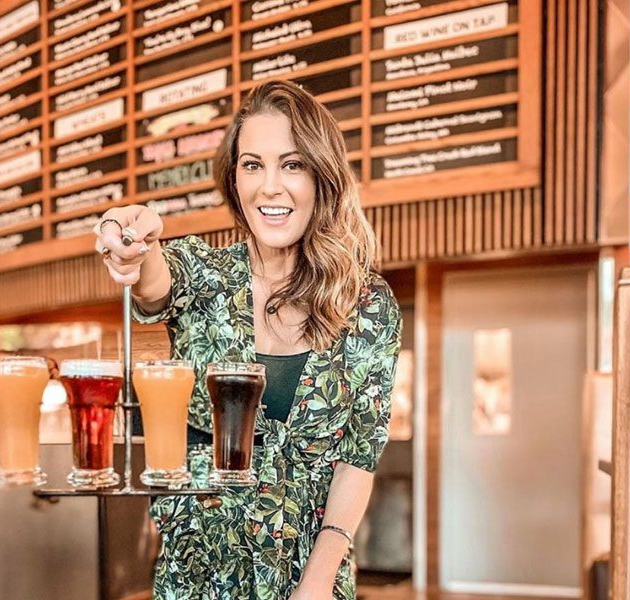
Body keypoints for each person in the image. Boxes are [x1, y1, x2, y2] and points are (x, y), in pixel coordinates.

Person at [95, 80, 402, 600]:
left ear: (321, 176)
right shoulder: (205, 277)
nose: (270, 187)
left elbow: (358, 458)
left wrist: (318, 582)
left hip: (311, 582)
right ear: (235, 180)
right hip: (196, 579)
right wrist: (125, 232)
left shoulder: (367, 304)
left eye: (292, 164)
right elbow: (153, 278)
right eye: (253, 165)